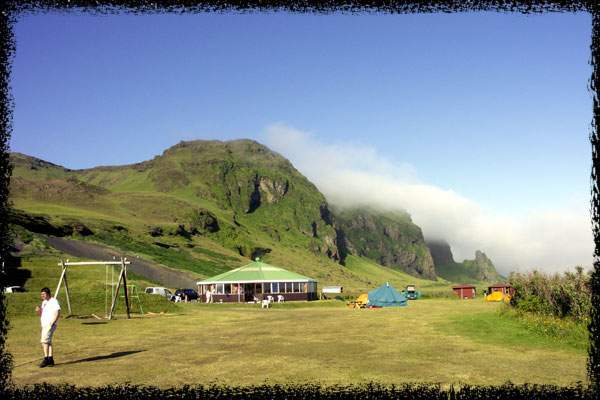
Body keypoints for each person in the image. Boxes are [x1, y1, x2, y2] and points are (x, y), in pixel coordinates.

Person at [35, 287, 60, 368]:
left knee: (44, 341)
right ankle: (51, 359)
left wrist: (52, 323)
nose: (42, 295)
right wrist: (39, 311)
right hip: (45, 324)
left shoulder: (54, 301)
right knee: (48, 341)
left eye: (43, 294)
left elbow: (57, 312)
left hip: (50, 324)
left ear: (48, 294)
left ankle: (46, 358)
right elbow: (43, 313)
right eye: (41, 294)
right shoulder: (44, 302)